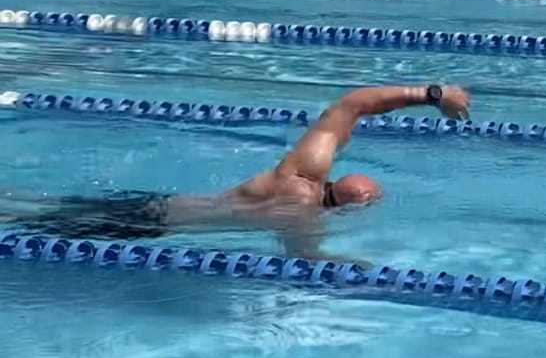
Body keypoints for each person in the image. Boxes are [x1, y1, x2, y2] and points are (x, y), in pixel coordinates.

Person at [2, 85, 471, 261]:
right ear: (348, 211)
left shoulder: (300, 174)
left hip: (155, 205)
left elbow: (351, 104)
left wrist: (430, 94)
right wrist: (361, 269)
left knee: (42, 210)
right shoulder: (301, 220)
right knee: (31, 220)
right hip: (153, 228)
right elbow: (306, 261)